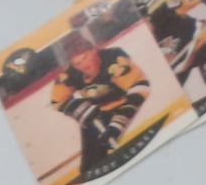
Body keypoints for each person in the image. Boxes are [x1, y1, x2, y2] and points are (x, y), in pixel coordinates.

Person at [49, 31, 151, 171]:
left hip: (122, 107)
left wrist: (117, 125)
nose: (83, 66)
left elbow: (140, 87)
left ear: (93, 50)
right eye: (77, 63)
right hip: (95, 115)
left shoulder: (113, 58)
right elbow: (56, 101)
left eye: (85, 58)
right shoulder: (70, 74)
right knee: (89, 168)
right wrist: (83, 111)